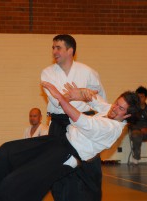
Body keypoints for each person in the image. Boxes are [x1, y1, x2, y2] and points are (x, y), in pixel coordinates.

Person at [0, 82, 140, 201]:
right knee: (9, 150)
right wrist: (82, 93)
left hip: (67, 155)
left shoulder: (112, 129)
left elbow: (81, 120)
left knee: (19, 181)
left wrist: (60, 98)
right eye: (117, 103)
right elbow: (97, 100)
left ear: (128, 115)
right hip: (58, 141)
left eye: (121, 108)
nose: (115, 108)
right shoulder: (111, 110)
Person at [41, 34, 106, 200]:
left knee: (89, 167)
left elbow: (100, 100)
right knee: (58, 166)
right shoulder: (48, 73)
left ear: (70, 50)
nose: (54, 51)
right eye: (53, 47)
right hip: (59, 123)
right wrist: (79, 94)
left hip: (85, 123)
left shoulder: (88, 72)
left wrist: (77, 96)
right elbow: (56, 102)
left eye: (58, 48)